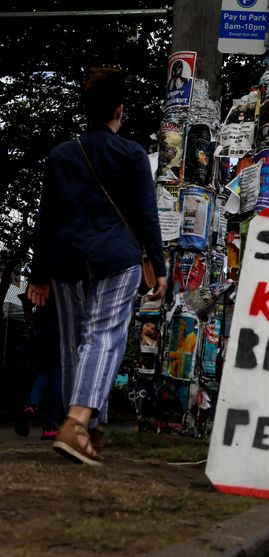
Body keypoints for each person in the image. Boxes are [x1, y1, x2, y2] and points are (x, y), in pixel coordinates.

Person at [27, 67, 167, 465]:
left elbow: (46, 217)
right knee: (103, 336)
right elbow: (146, 215)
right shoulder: (132, 154)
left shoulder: (61, 154)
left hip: (67, 260)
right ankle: (76, 423)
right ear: (119, 110)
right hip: (117, 259)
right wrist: (157, 265)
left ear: (86, 110)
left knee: (76, 345)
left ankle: (91, 427)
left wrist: (38, 275)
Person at [14, 287, 63, 440]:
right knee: (57, 374)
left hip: (41, 328)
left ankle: (31, 406)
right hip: (62, 328)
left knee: (43, 372)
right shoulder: (69, 269)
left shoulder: (43, 270)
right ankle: (51, 426)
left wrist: (30, 328)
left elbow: (26, 301)